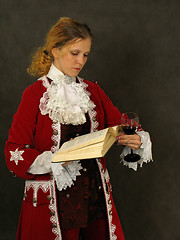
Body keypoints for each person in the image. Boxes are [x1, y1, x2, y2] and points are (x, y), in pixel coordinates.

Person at [5, 17, 152, 240]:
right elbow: (14, 152)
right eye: (75, 53)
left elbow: (122, 125)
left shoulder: (93, 91)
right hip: (54, 201)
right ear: (55, 50)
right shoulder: (34, 94)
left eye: (85, 54)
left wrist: (138, 139)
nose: (80, 61)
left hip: (93, 198)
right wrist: (54, 160)